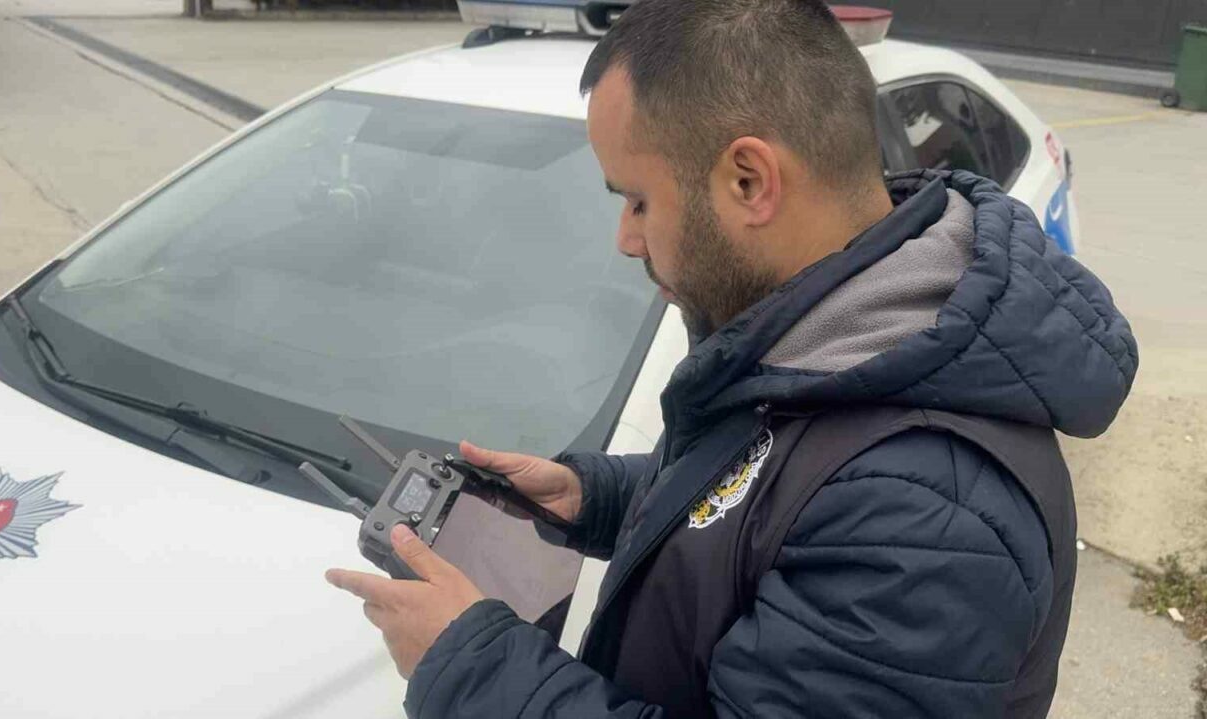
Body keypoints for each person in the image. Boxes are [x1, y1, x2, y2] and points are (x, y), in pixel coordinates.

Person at [323, 0, 1138, 716]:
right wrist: (597, 498)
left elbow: (814, 499)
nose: (626, 238)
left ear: (749, 180)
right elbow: (767, 489)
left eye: (638, 200)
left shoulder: (926, 514)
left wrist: (471, 671)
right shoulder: (830, 344)